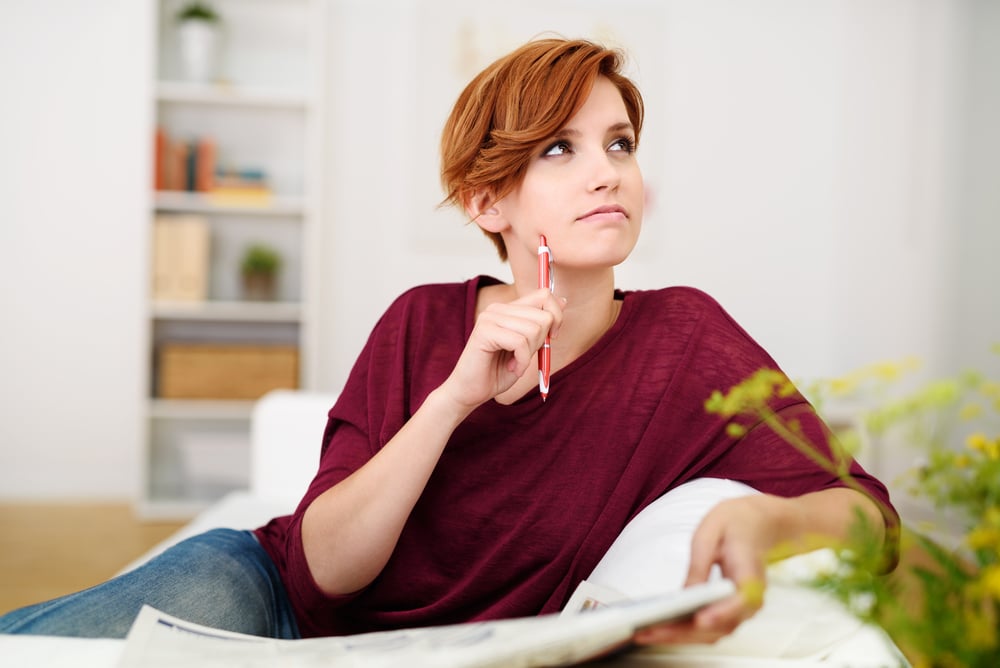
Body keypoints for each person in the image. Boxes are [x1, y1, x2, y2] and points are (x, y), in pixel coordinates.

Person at [0, 37, 896, 644]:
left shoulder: (686, 340)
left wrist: (770, 518)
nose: (607, 173)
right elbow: (321, 573)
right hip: (272, 598)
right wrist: (453, 399)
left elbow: (871, 519)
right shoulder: (422, 321)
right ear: (485, 201)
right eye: (560, 149)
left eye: (620, 144)